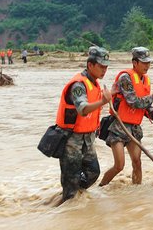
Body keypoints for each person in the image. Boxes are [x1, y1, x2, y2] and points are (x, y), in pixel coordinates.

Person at [99, 47, 153, 187]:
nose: (147, 66)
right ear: (135, 63)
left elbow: (146, 107)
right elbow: (133, 102)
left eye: (148, 63)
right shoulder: (126, 78)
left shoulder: (145, 80)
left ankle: (137, 191)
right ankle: (101, 187)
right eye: (144, 62)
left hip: (134, 128)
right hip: (119, 127)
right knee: (119, 165)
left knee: (137, 162)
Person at [55, 46, 112, 202]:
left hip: (87, 139)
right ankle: (67, 201)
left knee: (93, 172)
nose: (104, 70)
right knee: (70, 184)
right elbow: (83, 109)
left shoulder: (95, 83)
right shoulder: (78, 85)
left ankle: (73, 195)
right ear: (90, 65)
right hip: (71, 140)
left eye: (106, 66)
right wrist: (103, 101)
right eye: (101, 66)